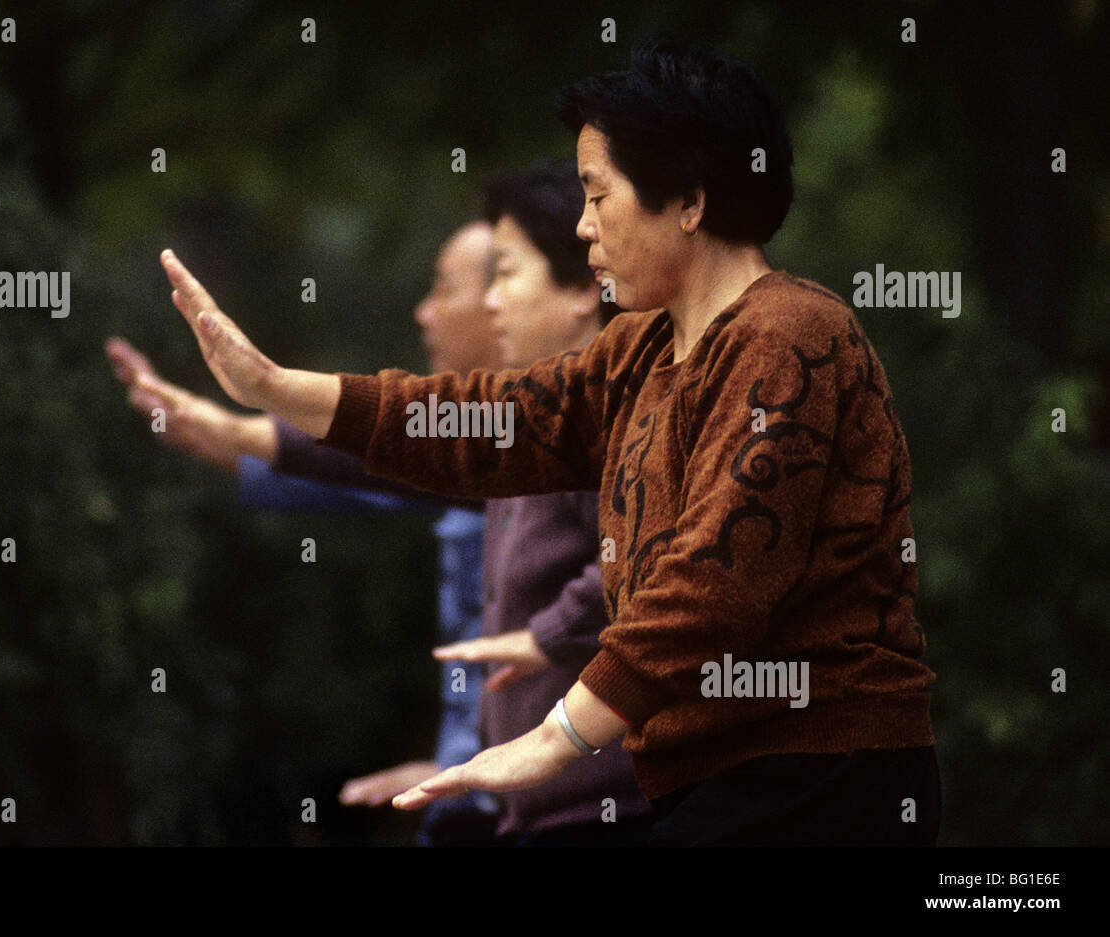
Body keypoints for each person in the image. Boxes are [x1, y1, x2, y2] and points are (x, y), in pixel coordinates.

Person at [152, 38, 940, 846]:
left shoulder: (787, 335)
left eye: (598, 196)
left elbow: (716, 579)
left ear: (690, 201)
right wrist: (275, 386)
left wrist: (552, 738)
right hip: (711, 783)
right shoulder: (640, 351)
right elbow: (493, 418)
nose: (583, 225)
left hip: (819, 781)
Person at [109, 223, 503, 845]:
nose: (423, 312)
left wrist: (258, 398)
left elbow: (392, 450)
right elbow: (377, 466)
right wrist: (228, 434)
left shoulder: (557, 441)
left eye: (444, 288)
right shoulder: (484, 445)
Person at [435, 161, 651, 843]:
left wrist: (547, 633)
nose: (489, 301)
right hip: (546, 812)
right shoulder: (538, 409)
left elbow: (652, 558)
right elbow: (399, 446)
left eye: (506, 272)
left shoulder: (614, 410)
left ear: (584, 289)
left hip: (608, 812)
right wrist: (259, 422)